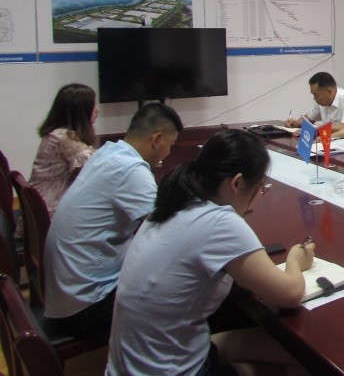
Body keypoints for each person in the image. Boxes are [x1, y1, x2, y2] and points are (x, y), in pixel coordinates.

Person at [106, 129, 314, 375]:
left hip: (135, 363)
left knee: (280, 347)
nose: (259, 198)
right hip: (171, 369)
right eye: (260, 189)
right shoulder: (219, 222)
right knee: (304, 362)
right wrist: (295, 261)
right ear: (237, 183)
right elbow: (290, 293)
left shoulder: (173, 202)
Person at [43, 103, 183, 338]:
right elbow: (170, 232)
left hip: (64, 294)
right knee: (186, 286)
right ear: (157, 138)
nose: (169, 153)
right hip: (87, 307)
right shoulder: (131, 170)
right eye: (171, 145)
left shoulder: (107, 154)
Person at [28, 83, 99, 218]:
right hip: (51, 213)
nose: (97, 110)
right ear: (79, 110)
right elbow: (97, 166)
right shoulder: (63, 137)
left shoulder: (59, 133)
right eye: (93, 105)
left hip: (42, 207)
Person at [284, 72, 344, 138]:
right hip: (327, 141)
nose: (314, 98)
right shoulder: (321, 101)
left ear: (329, 91)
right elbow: (309, 118)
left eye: (316, 95)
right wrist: (296, 123)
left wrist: (318, 128)